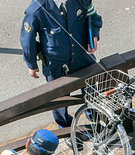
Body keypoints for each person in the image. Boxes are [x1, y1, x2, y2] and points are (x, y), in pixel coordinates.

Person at [20, 0, 102, 134]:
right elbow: (27, 39)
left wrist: (94, 35)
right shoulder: (37, 9)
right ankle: (66, 130)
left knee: (92, 89)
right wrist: (31, 63)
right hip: (56, 65)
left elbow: (93, 16)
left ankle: (95, 118)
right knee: (59, 100)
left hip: (82, 57)